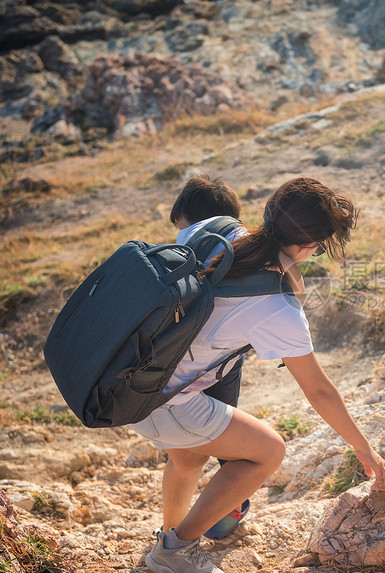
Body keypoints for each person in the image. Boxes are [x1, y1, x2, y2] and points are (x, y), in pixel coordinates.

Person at [133, 176, 385, 573]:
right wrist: (366, 451)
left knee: (189, 460)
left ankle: (171, 537)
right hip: (167, 405)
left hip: (132, 383)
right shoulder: (277, 307)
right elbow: (319, 391)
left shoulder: (219, 230)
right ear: (312, 245)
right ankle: (173, 552)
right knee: (269, 451)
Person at [169, 174, 254, 540]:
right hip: (222, 363)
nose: (181, 236)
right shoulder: (245, 251)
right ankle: (221, 513)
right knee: (215, 449)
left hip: (179, 369)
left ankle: (176, 529)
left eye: (183, 227)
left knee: (189, 456)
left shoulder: (188, 255)